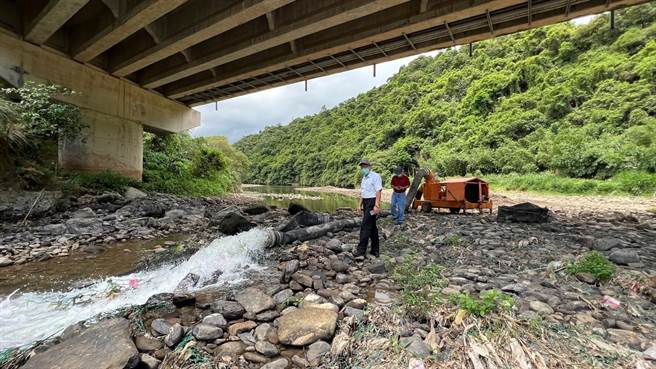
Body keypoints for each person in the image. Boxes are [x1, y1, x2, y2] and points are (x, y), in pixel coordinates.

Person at [356, 159, 382, 258]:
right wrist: (359, 205)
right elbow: (362, 193)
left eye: (365, 166)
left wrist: (377, 205)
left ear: (370, 167)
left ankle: (361, 251)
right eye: (362, 167)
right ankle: (375, 250)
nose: (363, 168)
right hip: (366, 203)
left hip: (372, 203)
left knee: (365, 225)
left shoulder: (375, 176)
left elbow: (378, 191)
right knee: (372, 228)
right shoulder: (364, 178)